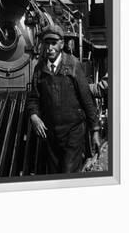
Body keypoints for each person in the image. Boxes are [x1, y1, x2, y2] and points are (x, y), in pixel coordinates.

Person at [27, 25, 101, 174]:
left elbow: (86, 99)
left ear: (61, 44)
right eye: (47, 43)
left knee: (68, 173)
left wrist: (95, 130)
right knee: (55, 174)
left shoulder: (73, 65)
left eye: (54, 43)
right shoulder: (39, 69)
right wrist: (34, 116)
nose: (50, 47)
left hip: (72, 133)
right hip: (50, 135)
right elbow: (33, 98)